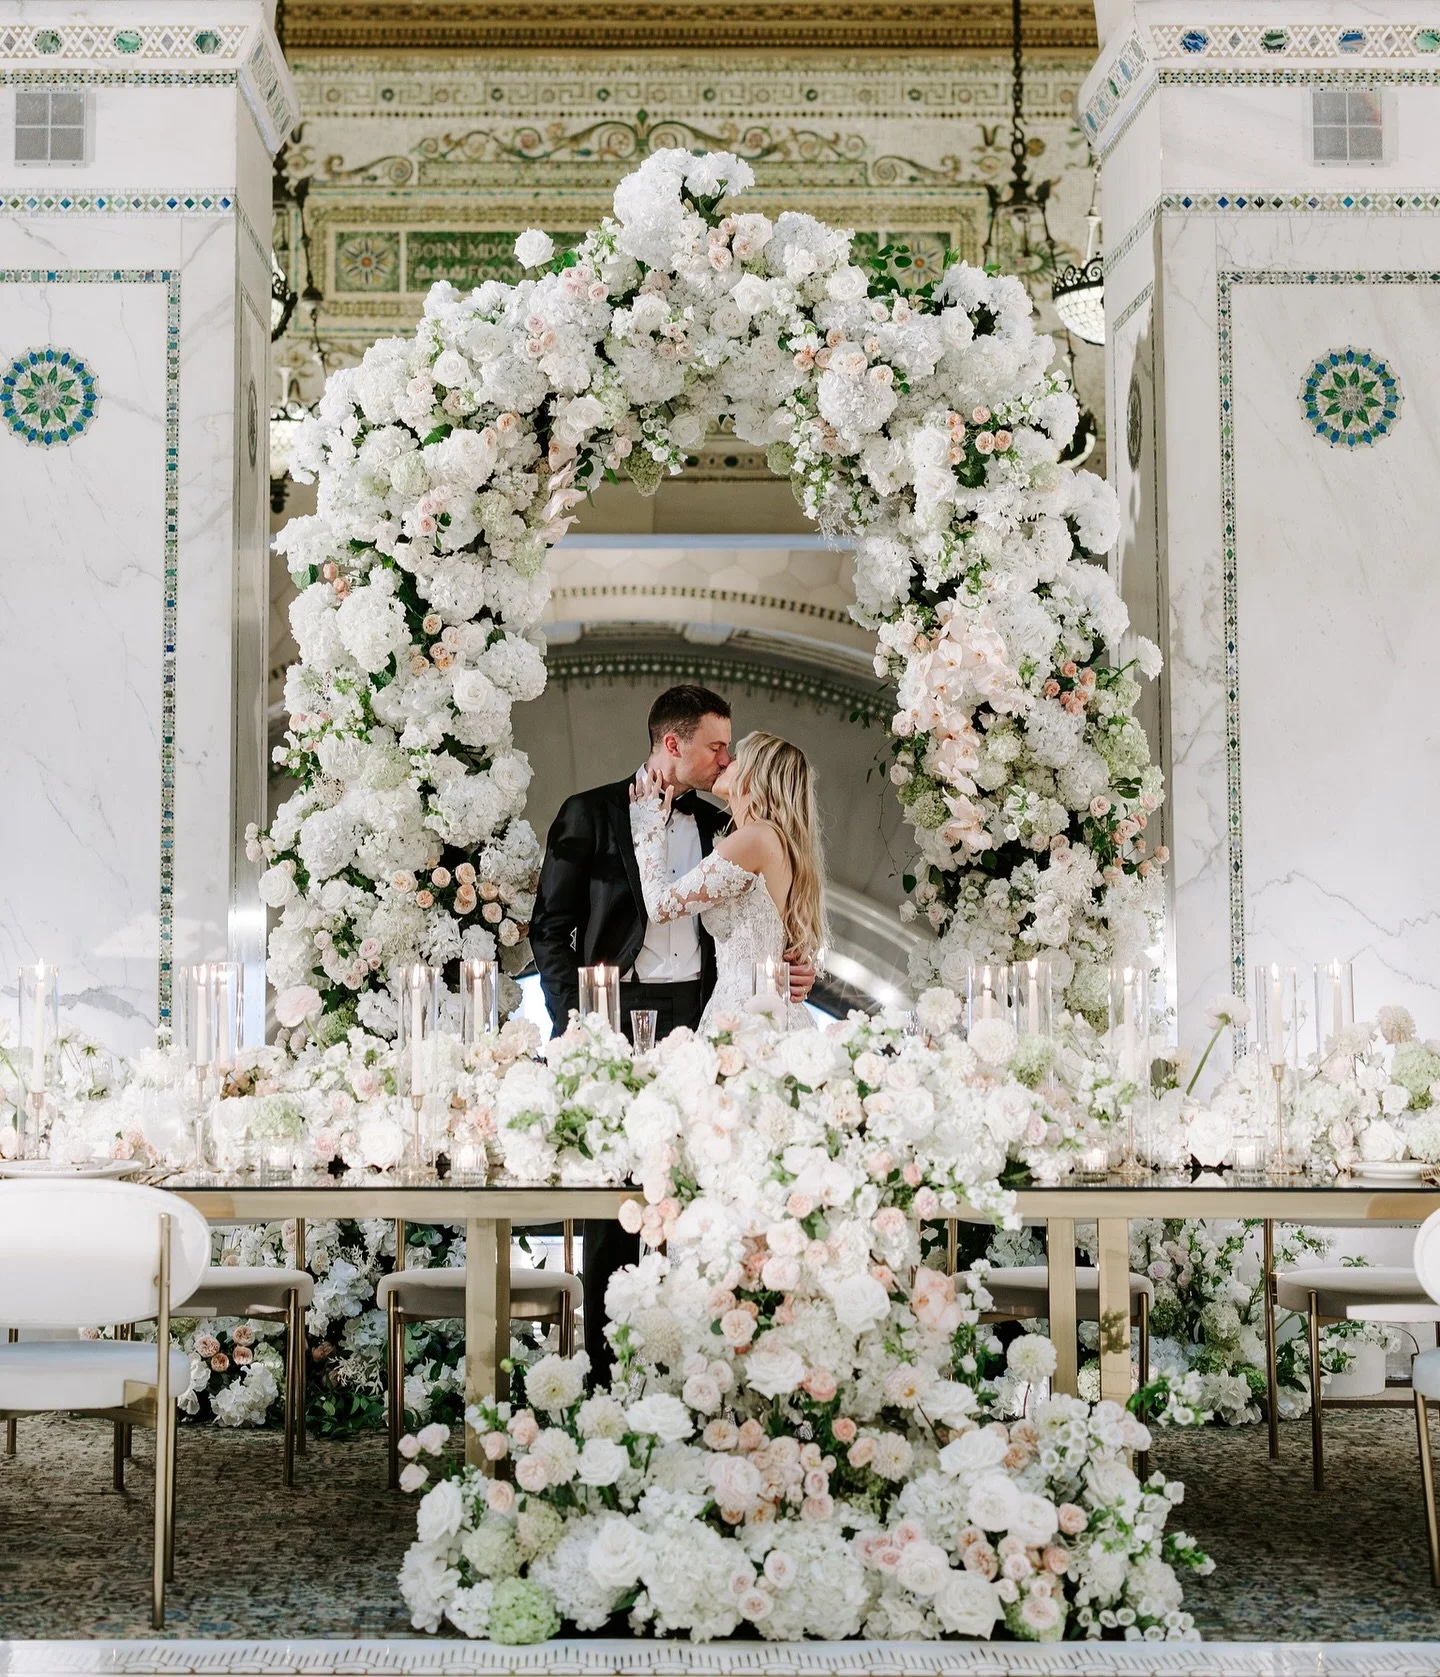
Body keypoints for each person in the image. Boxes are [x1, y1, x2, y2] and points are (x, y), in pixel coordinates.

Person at [530, 685, 816, 1376]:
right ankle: (603, 1364)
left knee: (698, 1194)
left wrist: (793, 967)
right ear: (671, 744)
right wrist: (579, 1022)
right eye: (716, 745)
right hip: (615, 1017)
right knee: (616, 1194)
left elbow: (770, 904)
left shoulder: (729, 823)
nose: (725, 759)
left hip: (703, 1012)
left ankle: (687, 1358)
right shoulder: (590, 813)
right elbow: (550, 928)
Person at [628, 729, 827, 1034]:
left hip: (746, 1017)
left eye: (734, 758)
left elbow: (660, 906)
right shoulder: (772, 841)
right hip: (762, 1007)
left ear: (753, 776)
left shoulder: (754, 839)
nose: (724, 763)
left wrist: (648, 827)